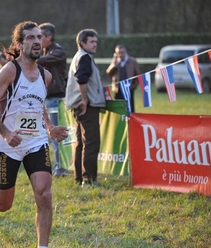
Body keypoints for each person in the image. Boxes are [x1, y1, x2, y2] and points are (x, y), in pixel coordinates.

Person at [0, 21, 68, 248]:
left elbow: (38, 105)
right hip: (8, 145)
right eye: (31, 38)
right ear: (20, 44)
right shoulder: (10, 71)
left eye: (39, 37)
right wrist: (4, 132)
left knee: (44, 194)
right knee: (3, 205)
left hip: (36, 142)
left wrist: (50, 128)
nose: (37, 41)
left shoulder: (46, 75)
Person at [65, 29, 106, 187]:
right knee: (91, 143)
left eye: (96, 41)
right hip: (86, 106)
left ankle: (80, 179)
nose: (95, 44)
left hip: (80, 106)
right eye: (92, 42)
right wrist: (84, 99)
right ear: (82, 43)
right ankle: (89, 180)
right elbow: (81, 79)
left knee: (81, 144)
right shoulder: (85, 58)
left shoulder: (78, 56)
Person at [37, 22, 68, 177]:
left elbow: (40, 61)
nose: (37, 39)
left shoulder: (57, 51)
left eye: (39, 36)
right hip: (46, 98)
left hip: (55, 98)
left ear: (49, 37)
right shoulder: (46, 51)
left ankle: (61, 168)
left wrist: (29, 56)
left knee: (56, 135)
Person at [106, 44, 140, 113]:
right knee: (117, 108)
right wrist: (114, 65)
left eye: (122, 52)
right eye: (118, 53)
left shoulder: (132, 62)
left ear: (126, 52)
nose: (120, 55)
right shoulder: (115, 61)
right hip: (117, 89)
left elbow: (138, 75)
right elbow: (109, 73)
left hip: (129, 88)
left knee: (130, 108)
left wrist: (133, 86)